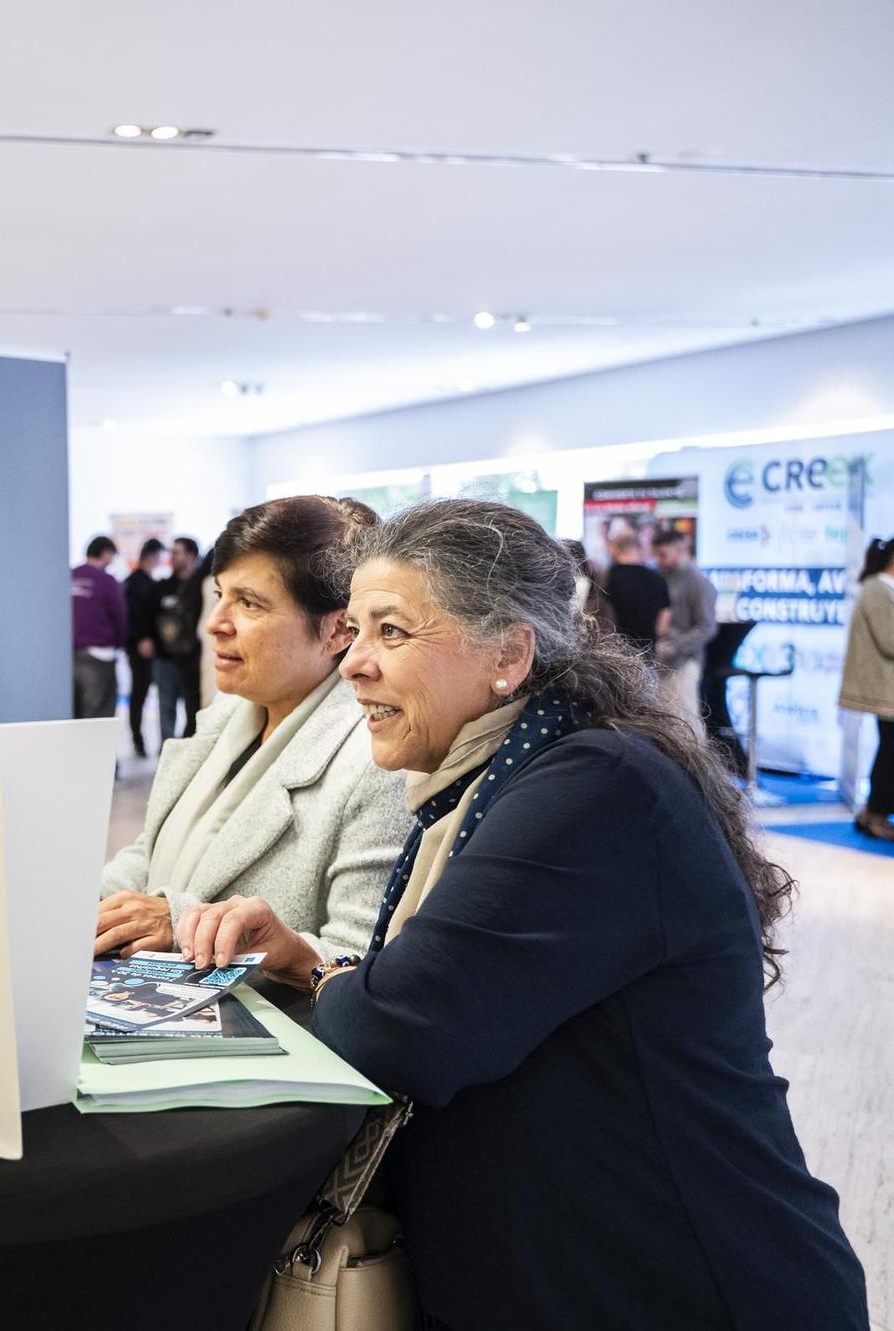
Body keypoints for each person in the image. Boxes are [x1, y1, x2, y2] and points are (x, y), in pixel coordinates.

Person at [182, 498, 867, 1326]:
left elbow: (399, 1028)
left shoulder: (593, 789)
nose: (354, 661)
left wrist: (336, 984)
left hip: (683, 1282)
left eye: (391, 631)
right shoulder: (498, 772)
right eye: (355, 629)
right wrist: (305, 960)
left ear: (509, 652)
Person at [92, 497, 406, 962]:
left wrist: (179, 923)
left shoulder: (376, 764)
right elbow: (150, 853)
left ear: (339, 630)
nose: (215, 624)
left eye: (249, 603)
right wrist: (80, 905)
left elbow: (355, 962)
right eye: (220, 596)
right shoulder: (225, 717)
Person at [840, 535, 894, 842]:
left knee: (889, 750)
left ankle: (872, 813)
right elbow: (889, 640)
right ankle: (875, 814)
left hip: (887, 689)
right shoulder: (877, 589)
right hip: (885, 689)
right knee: (890, 753)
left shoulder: (881, 588)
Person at [651, 528, 717, 744]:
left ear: (680, 550)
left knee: (686, 722)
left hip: (684, 662)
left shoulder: (698, 582)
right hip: (662, 661)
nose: (659, 560)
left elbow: (707, 626)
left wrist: (675, 646)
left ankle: (699, 775)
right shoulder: (662, 578)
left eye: (663, 554)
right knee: (665, 724)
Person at [152, 536, 205, 742]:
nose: (171, 557)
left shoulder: (203, 586)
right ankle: (166, 752)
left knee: (194, 709)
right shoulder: (162, 587)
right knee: (166, 708)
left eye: (176, 552)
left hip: (194, 660)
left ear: (191, 555)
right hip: (165, 659)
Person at [71, 535, 126, 721]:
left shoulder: (69, 576)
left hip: (69, 656)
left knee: (75, 716)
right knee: (99, 718)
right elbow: (119, 616)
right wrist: (120, 643)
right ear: (105, 553)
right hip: (99, 656)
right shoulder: (107, 580)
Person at [122, 538, 166, 756]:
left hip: (141, 646)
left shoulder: (139, 581)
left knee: (140, 693)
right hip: (140, 647)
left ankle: (139, 739)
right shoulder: (138, 583)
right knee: (139, 693)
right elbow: (135, 616)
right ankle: (137, 739)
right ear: (153, 556)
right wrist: (142, 639)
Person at [599, 527, 670, 657]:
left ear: (614, 549)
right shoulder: (657, 579)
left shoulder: (605, 578)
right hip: (647, 653)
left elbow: (601, 615)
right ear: (639, 548)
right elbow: (664, 618)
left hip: (614, 654)